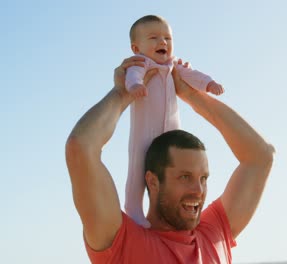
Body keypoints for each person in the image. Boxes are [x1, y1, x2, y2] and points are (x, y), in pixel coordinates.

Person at [65, 56, 275, 263]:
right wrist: (121, 94)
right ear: (153, 181)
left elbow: (261, 155)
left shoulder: (214, 234)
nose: (198, 190)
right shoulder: (123, 243)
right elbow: (81, 147)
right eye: (185, 177)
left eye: (203, 178)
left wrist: (191, 95)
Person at [125, 15, 224, 227]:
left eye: (167, 38)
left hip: (171, 131)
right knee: (138, 168)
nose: (162, 42)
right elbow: (131, 77)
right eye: (154, 38)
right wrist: (134, 86)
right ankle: (133, 210)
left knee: (175, 172)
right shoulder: (140, 65)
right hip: (144, 132)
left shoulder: (174, 66)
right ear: (136, 47)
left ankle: (177, 211)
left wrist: (209, 83)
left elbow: (193, 75)